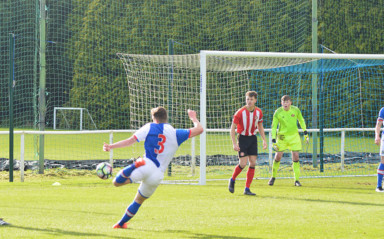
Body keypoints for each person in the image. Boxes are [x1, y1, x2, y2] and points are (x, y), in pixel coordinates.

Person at [103, 107, 203, 228]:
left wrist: (111, 146)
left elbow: (130, 141)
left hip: (146, 164)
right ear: (166, 118)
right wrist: (193, 118)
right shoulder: (176, 133)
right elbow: (199, 129)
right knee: (138, 200)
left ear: (154, 118)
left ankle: (135, 165)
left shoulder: (150, 126)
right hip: (158, 175)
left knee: (116, 182)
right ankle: (121, 224)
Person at [228, 91, 267, 196]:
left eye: (251, 99)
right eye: (247, 99)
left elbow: (260, 127)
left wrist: (264, 140)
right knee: (243, 164)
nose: (249, 101)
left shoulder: (259, 112)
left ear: (255, 100)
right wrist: (234, 143)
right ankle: (232, 179)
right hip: (242, 139)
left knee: (253, 163)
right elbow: (232, 128)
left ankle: (247, 188)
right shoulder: (240, 112)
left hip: (253, 139)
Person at [268, 95, 309, 186]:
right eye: (283, 102)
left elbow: (301, 120)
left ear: (290, 102)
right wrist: (273, 139)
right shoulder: (278, 112)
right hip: (282, 137)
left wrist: (305, 132)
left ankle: (296, 180)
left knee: (296, 156)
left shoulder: (296, 110)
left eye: (287, 102)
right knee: (278, 156)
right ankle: (273, 177)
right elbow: (274, 126)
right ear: (281, 103)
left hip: (294, 137)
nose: (285, 104)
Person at [374, 107, 384, 192]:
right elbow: (379, 124)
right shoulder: (383, 110)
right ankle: (379, 186)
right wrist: (377, 136)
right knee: (383, 160)